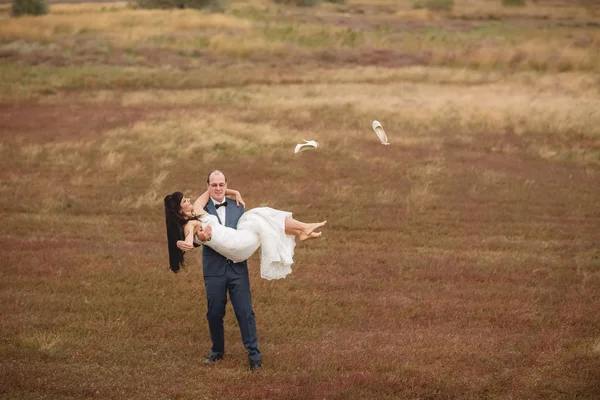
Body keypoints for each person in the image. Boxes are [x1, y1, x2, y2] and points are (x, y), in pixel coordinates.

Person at [163, 170, 325, 371]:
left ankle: (254, 356)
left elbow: (217, 194)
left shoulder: (215, 207)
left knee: (245, 312)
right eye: (214, 185)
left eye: (222, 184)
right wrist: (195, 240)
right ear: (208, 186)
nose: (218, 188)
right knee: (214, 313)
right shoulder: (193, 221)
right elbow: (195, 238)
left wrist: (234, 192)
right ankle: (217, 352)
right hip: (216, 269)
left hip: (238, 263)